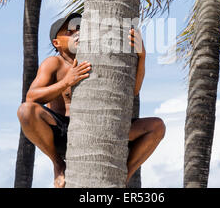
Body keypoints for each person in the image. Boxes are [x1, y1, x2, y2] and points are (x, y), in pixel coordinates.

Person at [17, 13, 165, 188]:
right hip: (62, 132)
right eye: (69, 32)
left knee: (157, 126)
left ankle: (124, 175)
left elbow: (132, 91)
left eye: (79, 29)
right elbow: (31, 97)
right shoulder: (53, 63)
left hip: (101, 130)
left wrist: (142, 56)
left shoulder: (99, 60)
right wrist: (67, 81)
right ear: (57, 43)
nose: (76, 33)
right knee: (26, 111)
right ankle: (58, 164)